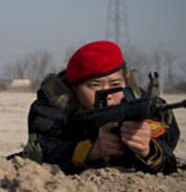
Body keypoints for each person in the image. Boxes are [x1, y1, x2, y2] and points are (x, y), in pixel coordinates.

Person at [21, 40, 179, 174]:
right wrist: (89, 151)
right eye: (95, 85)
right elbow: (41, 149)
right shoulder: (53, 105)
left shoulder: (138, 102)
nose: (108, 94)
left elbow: (169, 145)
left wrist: (147, 150)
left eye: (115, 84)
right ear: (75, 87)